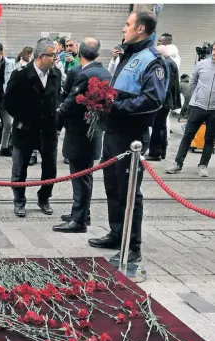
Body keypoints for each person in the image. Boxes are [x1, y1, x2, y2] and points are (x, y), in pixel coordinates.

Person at [88, 11, 168, 265]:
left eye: (128, 24)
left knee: (130, 191)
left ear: (141, 28)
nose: (124, 28)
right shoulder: (129, 54)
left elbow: (153, 100)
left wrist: (115, 105)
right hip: (113, 133)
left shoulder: (152, 60)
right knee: (112, 187)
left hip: (131, 137)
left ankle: (132, 246)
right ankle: (116, 233)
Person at [53, 37, 111, 233]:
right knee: (85, 175)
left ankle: (79, 221)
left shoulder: (84, 74)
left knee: (80, 176)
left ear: (79, 53)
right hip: (93, 133)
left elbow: (70, 103)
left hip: (80, 134)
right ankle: (82, 212)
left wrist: (56, 123)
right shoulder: (105, 72)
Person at [3, 38, 62, 218]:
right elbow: (8, 102)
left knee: (50, 168)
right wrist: (24, 117)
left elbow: (57, 99)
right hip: (25, 129)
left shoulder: (56, 74)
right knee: (20, 168)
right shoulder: (20, 74)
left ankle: (44, 198)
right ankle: (19, 201)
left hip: (48, 129)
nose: (55, 59)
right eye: (52, 55)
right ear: (41, 56)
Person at [165, 42, 215, 177]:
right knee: (188, 135)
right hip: (198, 107)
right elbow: (193, 82)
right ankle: (178, 163)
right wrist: (195, 98)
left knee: (210, 139)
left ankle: (203, 165)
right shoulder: (202, 64)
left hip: (214, 111)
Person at [145, 45, 180, 162]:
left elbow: (164, 84)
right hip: (167, 100)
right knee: (161, 126)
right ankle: (161, 152)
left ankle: (155, 153)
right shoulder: (171, 62)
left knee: (158, 127)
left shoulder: (164, 63)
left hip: (163, 101)